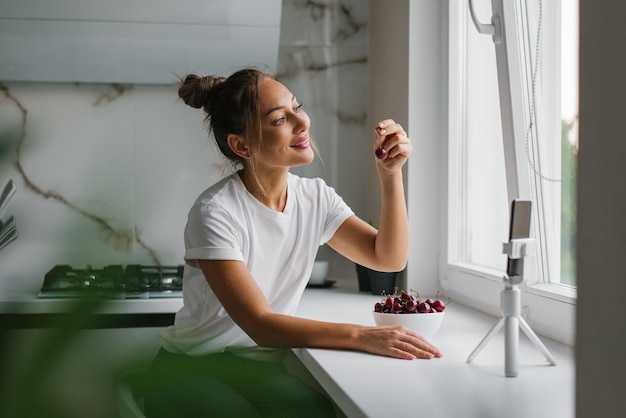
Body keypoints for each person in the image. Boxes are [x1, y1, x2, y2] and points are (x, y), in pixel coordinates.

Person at [144, 68, 442, 418]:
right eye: (279, 119)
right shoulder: (215, 212)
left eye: (297, 107)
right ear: (242, 145)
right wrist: (362, 336)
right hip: (189, 369)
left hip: (255, 371)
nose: (302, 123)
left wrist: (391, 176)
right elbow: (260, 323)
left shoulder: (314, 198)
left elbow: (388, 258)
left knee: (316, 412)